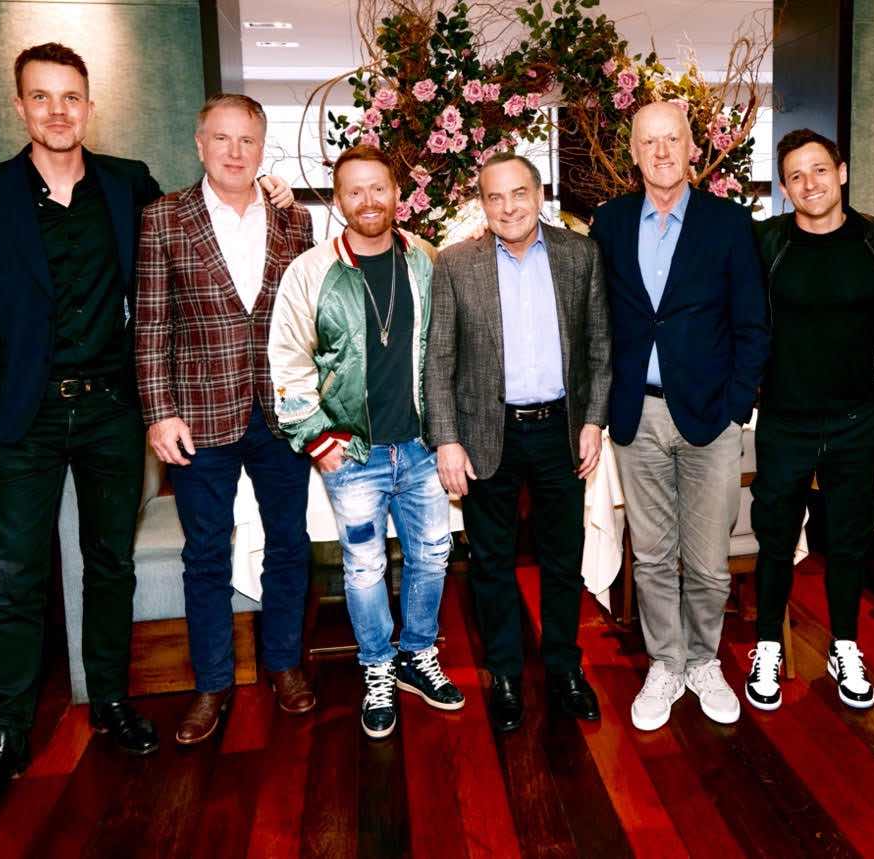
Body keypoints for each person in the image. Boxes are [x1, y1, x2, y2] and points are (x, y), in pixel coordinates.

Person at [0, 44, 288, 829]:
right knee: (13, 578)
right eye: (42, 97)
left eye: (71, 97)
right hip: (18, 415)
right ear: (20, 106)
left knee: (109, 564)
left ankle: (113, 700)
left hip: (111, 413)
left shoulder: (130, 185)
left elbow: (202, 225)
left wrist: (266, 190)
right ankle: (5, 734)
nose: (58, 111)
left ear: (90, 107)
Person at [135, 93, 315, 745]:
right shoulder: (163, 218)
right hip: (198, 416)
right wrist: (160, 413)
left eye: (248, 140)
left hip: (281, 413)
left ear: (262, 148)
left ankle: (284, 663)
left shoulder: (295, 220)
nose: (235, 152)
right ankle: (211, 684)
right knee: (205, 553)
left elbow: (307, 319)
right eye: (222, 138)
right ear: (199, 143)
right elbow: (150, 325)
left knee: (289, 544)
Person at [269, 144, 464, 740]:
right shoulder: (310, 272)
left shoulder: (427, 260)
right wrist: (318, 439)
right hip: (352, 454)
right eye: (354, 190)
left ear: (397, 193)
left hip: (422, 448)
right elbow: (287, 361)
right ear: (338, 200)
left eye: (378, 187)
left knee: (432, 555)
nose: (368, 200)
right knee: (363, 566)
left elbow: (450, 350)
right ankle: (377, 666)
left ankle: (418, 655)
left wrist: (449, 432)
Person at [589, 102, 769, 731]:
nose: (662, 152)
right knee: (653, 556)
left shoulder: (728, 222)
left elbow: (752, 325)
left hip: (710, 418)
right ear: (633, 153)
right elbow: (599, 320)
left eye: (672, 139)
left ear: (693, 148)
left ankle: (703, 660)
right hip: (636, 417)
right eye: (649, 142)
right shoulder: (610, 222)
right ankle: (666, 662)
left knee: (709, 559)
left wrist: (736, 409)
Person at [425, 152, 611, 733]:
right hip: (487, 433)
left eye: (518, 193)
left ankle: (564, 668)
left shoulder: (580, 255)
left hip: (561, 430)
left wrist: (593, 421)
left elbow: (600, 347)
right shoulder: (456, 264)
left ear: (539, 194)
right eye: (494, 197)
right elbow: (438, 360)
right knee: (491, 562)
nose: (508, 208)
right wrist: (447, 439)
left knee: (562, 558)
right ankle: (504, 674)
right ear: (482, 204)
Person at [746, 129, 874, 712]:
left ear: (841, 172)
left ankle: (844, 645)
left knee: (848, 540)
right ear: (784, 188)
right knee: (775, 538)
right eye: (795, 176)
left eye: (819, 170)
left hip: (855, 419)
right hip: (784, 419)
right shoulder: (766, 242)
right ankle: (767, 644)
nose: (809, 183)